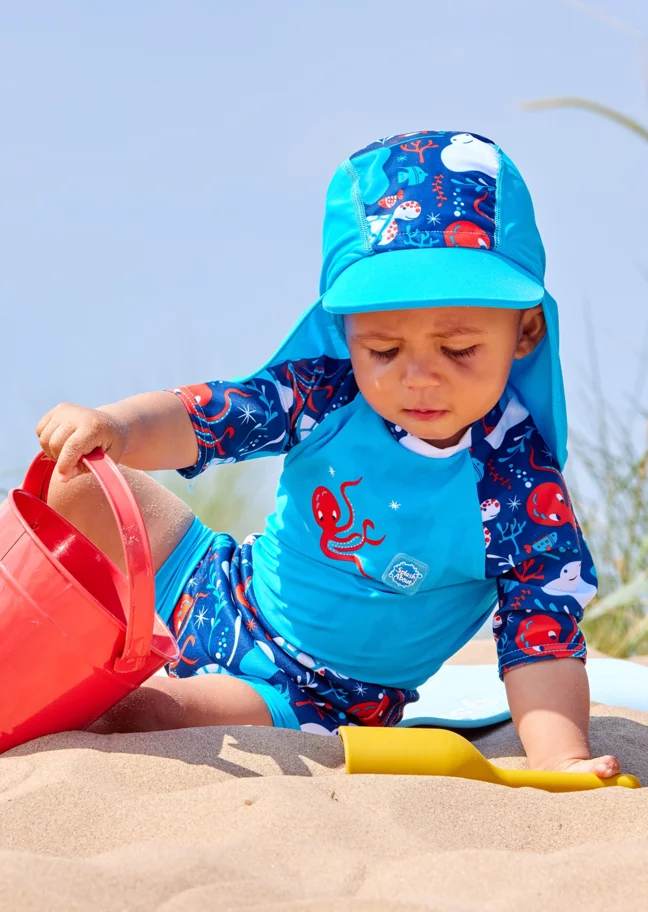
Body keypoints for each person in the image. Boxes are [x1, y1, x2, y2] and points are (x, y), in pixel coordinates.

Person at [37, 129, 619, 777]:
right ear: (346, 332)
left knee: (144, 715)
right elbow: (209, 416)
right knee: (75, 480)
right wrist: (114, 426)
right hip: (216, 583)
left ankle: (95, 679)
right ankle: (82, 638)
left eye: (457, 349)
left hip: (307, 690)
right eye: (384, 349)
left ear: (525, 330)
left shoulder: (518, 494)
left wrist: (562, 760)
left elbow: (541, 641)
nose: (418, 376)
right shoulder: (328, 390)